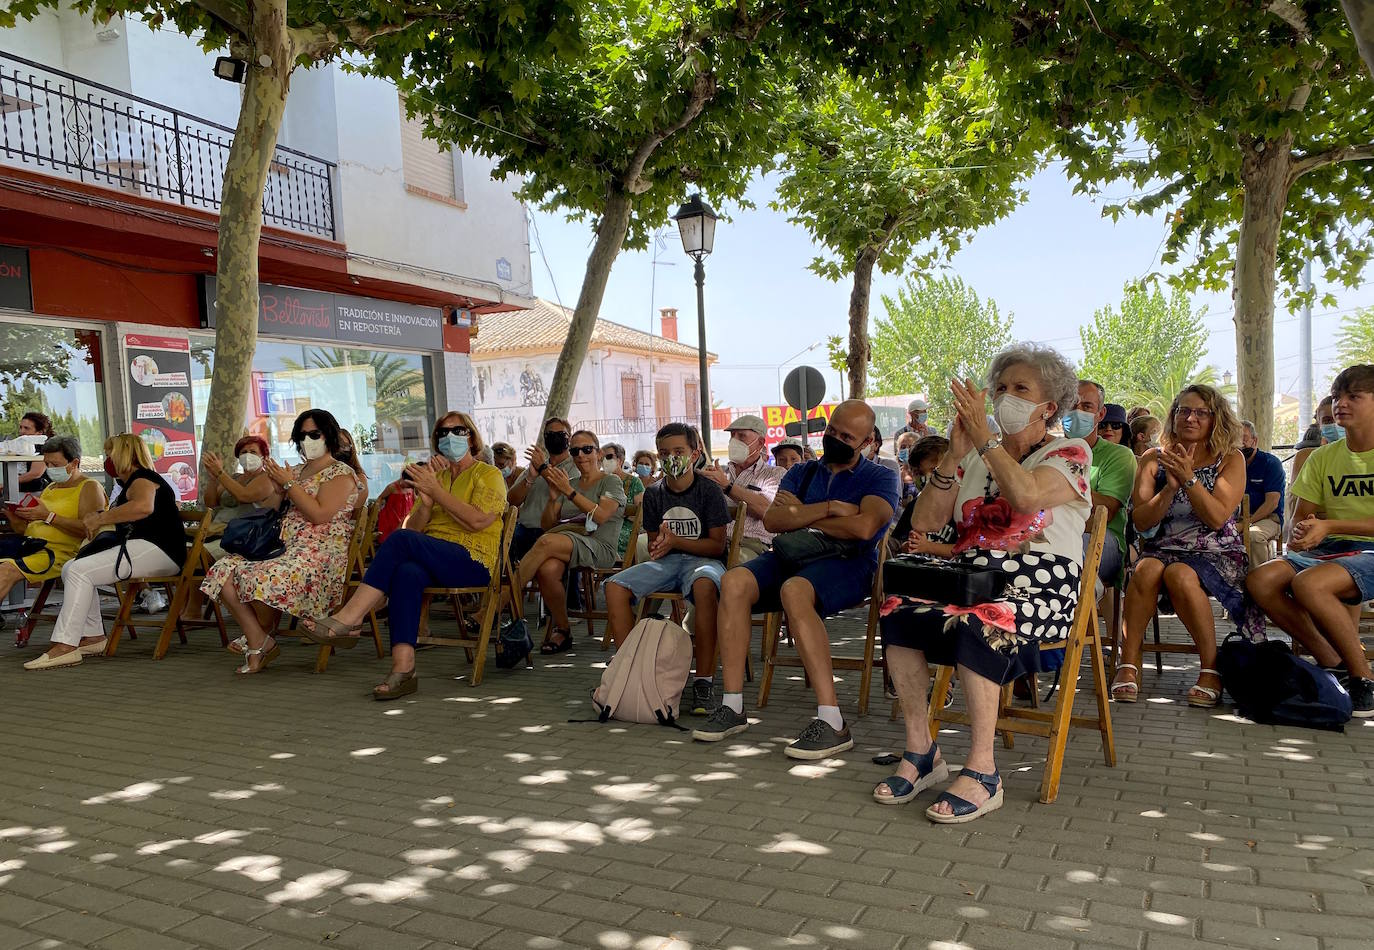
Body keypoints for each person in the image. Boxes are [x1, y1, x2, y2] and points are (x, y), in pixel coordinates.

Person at [875, 344, 1090, 822]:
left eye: (1020, 389)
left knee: (979, 621)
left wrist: (984, 443)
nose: (1004, 397)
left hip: (1042, 589)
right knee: (898, 609)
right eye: (1000, 388)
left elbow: (1026, 495)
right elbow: (928, 523)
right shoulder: (974, 457)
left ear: (1048, 406)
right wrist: (954, 454)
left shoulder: (1070, 453)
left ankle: (984, 770)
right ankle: (922, 751)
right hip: (972, 580)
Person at [692, 399, 899, 758]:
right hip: (793, 553)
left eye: (846, 436)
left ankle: (832, 720)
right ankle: (733, 704)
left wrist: (800, 514)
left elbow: (866, 527)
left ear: (866, 443)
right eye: (832, 430)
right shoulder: (803, 472)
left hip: (849, 563)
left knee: (795, 590)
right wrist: (832, 509)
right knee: (733, 582)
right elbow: (774, 522)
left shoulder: (881, 476)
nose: (834, 438)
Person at [301, 412, 507, 698]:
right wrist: (427, 503)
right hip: (435, 556)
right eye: (443, 433)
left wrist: (436, 491)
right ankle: (403, 668)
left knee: (400, 542)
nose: (450, 437)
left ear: (471, 436)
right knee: (405, 573)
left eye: (458, 431)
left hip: (472, 559)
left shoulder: (488, 474)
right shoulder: (437, 478)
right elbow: (413, 527)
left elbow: (478, 521)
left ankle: (351, 617)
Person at [1111, 385, 1258, 707]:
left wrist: (1190, 481)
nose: (1190, 418)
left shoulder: (1230, 459)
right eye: (1183, 411)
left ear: (1215, 418)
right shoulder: (1153, 458)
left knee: (1179, 574)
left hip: (1215, 550)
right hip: (1163, 547)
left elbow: (1218, 517)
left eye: (1200, 412)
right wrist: (1169, 490)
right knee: (1147, 569)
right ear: (1173, 416)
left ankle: (1210, 668)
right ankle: (1129, 662)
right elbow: (1142, 521)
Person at [1246, 365, 1374, 716]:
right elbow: (1304, 515)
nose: (1340, 405)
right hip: (1329, 550)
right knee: (1260, 580)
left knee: (1310, 585)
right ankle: (1332, 662)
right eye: (1336, 397)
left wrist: (1329, 526)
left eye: (1353, 397)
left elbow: (1325, 523)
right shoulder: (1321, 457)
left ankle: (1363, 678)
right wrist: (1303, 532)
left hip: (1367, 551)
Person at [200, 409, 364, 674]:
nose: (308, 440)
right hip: (281, 546)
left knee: (258, 576)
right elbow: (274, 507)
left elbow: (319, 515)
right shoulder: (296, 471)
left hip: (317, 552)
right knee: (223, 569)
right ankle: (259, 638)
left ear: (329, 436)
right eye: (302, 435)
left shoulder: (341, 474)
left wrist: (289, 486)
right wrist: (277, 490)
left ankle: (259, 640)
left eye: (314, 434)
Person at [22, 434, 184, 670]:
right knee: (71, 569)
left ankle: (65, 645)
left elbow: (142, 507)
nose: (107, 460)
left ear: (124, 455)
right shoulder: (130, 482)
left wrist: (100, 519)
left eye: (110, 454)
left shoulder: (143, 478)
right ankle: (94, 636)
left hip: (158, 549)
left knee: (77, 570)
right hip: (144, 548)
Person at [605, 423, 729, 713]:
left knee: (705, 586)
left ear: (695, 453)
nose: (671, 457)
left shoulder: (709, 491)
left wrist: (675, 542)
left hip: (704, 562)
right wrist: (661, 546)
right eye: (664, 453)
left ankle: (704, 682)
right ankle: (629, 670)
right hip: (669, 562)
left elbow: (717, 546)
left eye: (679, 451)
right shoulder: (655, 493)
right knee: (614, 586)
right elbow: (656, 542)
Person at [513, 429, 625, 654]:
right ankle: (563, 630)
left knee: (545, 543)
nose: (581, 455)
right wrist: (554, 498)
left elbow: (601, 516)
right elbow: (548, 525)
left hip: (599, 547)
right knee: (546, 569)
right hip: (569, 540)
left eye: (587, 449)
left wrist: (569, 492)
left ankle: (500, 602)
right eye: (575, 451)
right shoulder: (569, 481)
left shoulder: (610, 481)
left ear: (599, 452)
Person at [0, 436, 106, 607]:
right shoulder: (50, 488)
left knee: (5, 571)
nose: (50, 469)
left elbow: (89, 530)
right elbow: (27, 529)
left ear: (74, 463)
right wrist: (14, 517)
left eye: (55, 465)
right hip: (31, 545)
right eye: (47, 464)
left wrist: (48, 516)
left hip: (61, 553)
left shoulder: (89, 487)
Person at [1063, 380, 1137, 587]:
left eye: (1086, 406)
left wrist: (1058, 485)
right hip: (1054, 534)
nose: (1077, 412)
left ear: (1100, 414)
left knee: (1066, 552)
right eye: (1071, 405)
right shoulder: (1046, 451)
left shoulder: (1118, 456)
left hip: (1101, 540)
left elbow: (1105, 512)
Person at [700, 414, 784, 562]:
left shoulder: (774, 473)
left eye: (741, 436)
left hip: (751, 545)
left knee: (735, 571)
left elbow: (767, 510)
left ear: (760, 443)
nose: (734, 441)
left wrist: (727, 487)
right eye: (732, 436)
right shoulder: (720, 472)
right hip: (714, 542)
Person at [507, 418, 576, 562]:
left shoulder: (575, 466)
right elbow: (511, 500)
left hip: (556, 531)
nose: (555, 437)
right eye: (549, 434)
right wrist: (529, 479)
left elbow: (561, 487)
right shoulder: (536, 466)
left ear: (569, 438)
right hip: (524, 530)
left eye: (560, 434)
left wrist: (542, 468)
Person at [890, 434, 956, 559]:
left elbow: (965, 550)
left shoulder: (962, 509)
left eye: (934, 471)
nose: (927, 477)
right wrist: (906, 546)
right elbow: (898, 542)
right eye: (919, 473)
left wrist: (928, 547)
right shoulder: (914, 506)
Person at [1239, 419, 1285, 566]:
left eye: (1244, 438)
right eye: (1235, 440)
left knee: (1253, 536)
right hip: (1238, 518)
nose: (1240, 444)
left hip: (1268, 518)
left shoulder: (1270, 463)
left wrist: (1247, 523)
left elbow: (1272, 502)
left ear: (1254, 440)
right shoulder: (1230, 464)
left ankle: (1258, 580)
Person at [601, 442, 645, 560]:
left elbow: (641, 515)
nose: (605, 460)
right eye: (602, 457)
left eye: (609, 457)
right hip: (603, 525)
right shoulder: (601, 481)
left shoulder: (634, 482)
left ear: (620, 460)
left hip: (626, 528)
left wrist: (618, 513)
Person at [14, 412, 55, 494]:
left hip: (37, 492)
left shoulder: (44, 447)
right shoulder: (21, 445)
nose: (22, 431)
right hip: (19, 491)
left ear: (39, 432)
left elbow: (35, 473)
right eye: (21, 427)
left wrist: (6, 484)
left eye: (26, 428)